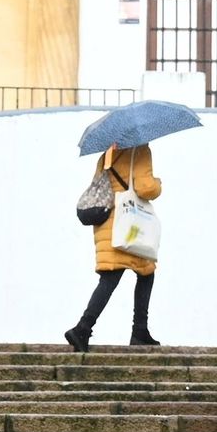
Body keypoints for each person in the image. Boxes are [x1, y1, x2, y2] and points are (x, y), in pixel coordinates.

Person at [65, 143, 161, 352]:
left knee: (118, 276)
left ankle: (89, 328)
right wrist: (157, 184)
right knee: (144, 273)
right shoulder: (140, 150)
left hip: (108, 224)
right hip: (129, 224)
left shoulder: (106, 155)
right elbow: (145, 188)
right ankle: (89, 328)